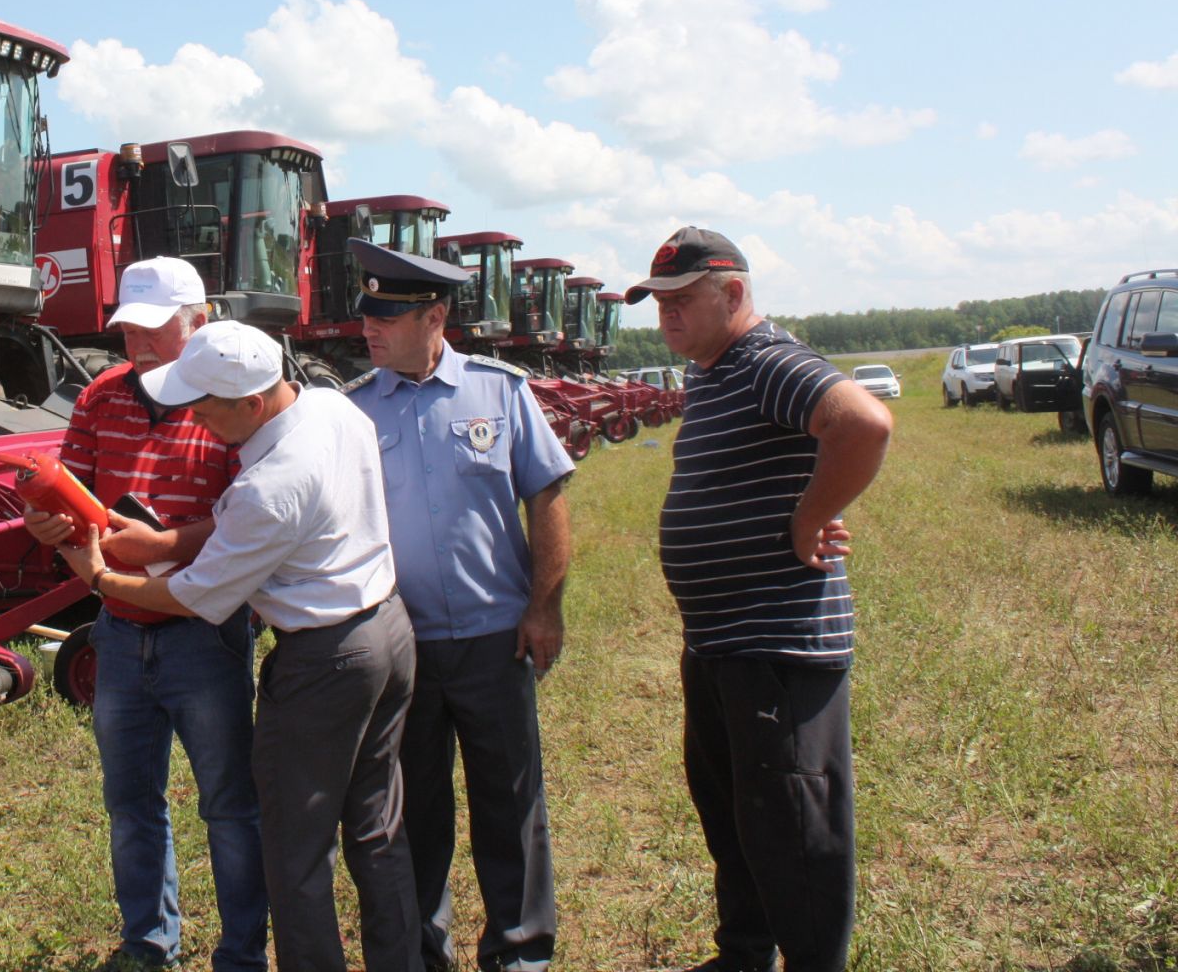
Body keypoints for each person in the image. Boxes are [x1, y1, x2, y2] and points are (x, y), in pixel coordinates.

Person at [56, 319, 423, 972]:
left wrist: (101, 577)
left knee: (295, 853)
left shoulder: (270, 486)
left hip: (325, 662)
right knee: (376, 829)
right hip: (385, 630)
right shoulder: (332, 410)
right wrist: (161, 542)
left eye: (201, 405)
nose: (192, 419)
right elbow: (230, 538)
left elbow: (193, 596)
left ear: (251, 405)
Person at [624, 227, 893, 972]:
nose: (666, 316)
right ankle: (744, 955)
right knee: (737, 817)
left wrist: (810, 515)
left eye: (681, 300)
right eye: (658, 304)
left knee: (792, 829)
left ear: (733, 294)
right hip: (720, 644)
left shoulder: (766, 360)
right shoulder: (714, 369)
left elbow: (863, 422)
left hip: (775, 644)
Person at [21, 258, 267, 972]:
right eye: (130, 329)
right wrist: (52, 524)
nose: (140, 345)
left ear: (201, 322)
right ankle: (148, 943)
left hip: (205, 634)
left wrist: (164, 543)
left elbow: (247, 520)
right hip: (121, 633)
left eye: (156, 329)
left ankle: (243, 951)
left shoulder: (230, 403)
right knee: (130, 803)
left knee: (229, 805)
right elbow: (73, 494)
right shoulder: (101, 398)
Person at [344, 238, 574, 972]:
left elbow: (547, 495)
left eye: (387, 315)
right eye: (367, 314)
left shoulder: (500, 393)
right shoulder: (352, 412)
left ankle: (520, 952)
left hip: (493, 639)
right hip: (403, 645)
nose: (368, 329)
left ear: (435, 316)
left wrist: (544, 607)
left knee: (510, 805)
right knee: (415, 814)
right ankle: (421, 952)